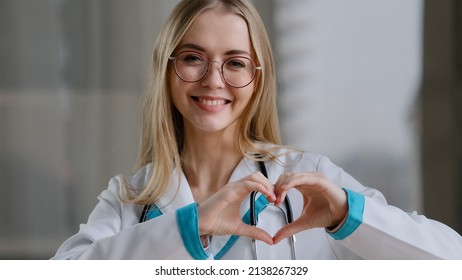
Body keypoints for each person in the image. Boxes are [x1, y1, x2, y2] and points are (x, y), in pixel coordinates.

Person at [52, 0, 462, 260]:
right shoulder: (129, 200)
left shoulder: (307, 184)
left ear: (258, 78)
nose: (214, 79)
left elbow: (450, 261)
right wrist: (189, 227)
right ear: (167, 70)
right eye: (194, 58)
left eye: (235, 63)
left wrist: (346, 216)